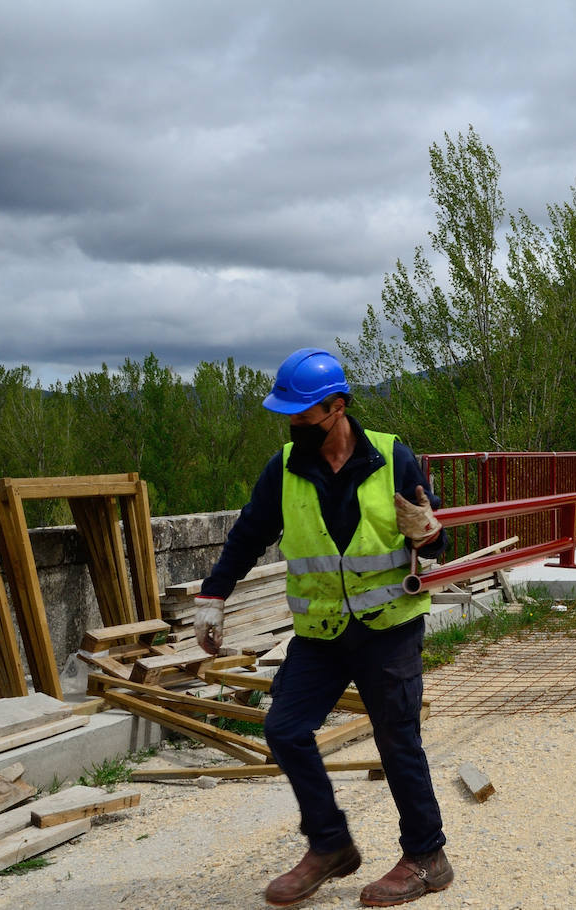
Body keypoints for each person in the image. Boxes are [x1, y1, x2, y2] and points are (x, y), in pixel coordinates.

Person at [191, 348, 453, 908]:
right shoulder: (284, 467)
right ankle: (331, 844)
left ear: (337, 407)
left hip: (388, 627)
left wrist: (428, 532)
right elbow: (248, 534)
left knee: (396, 741)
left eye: (302, 413)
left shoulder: (392, 456)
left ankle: (427, 857)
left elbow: (438, 539)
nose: (292, 424)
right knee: (285, 729)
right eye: (287, 413)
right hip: (323, 633)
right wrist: (213, 595)